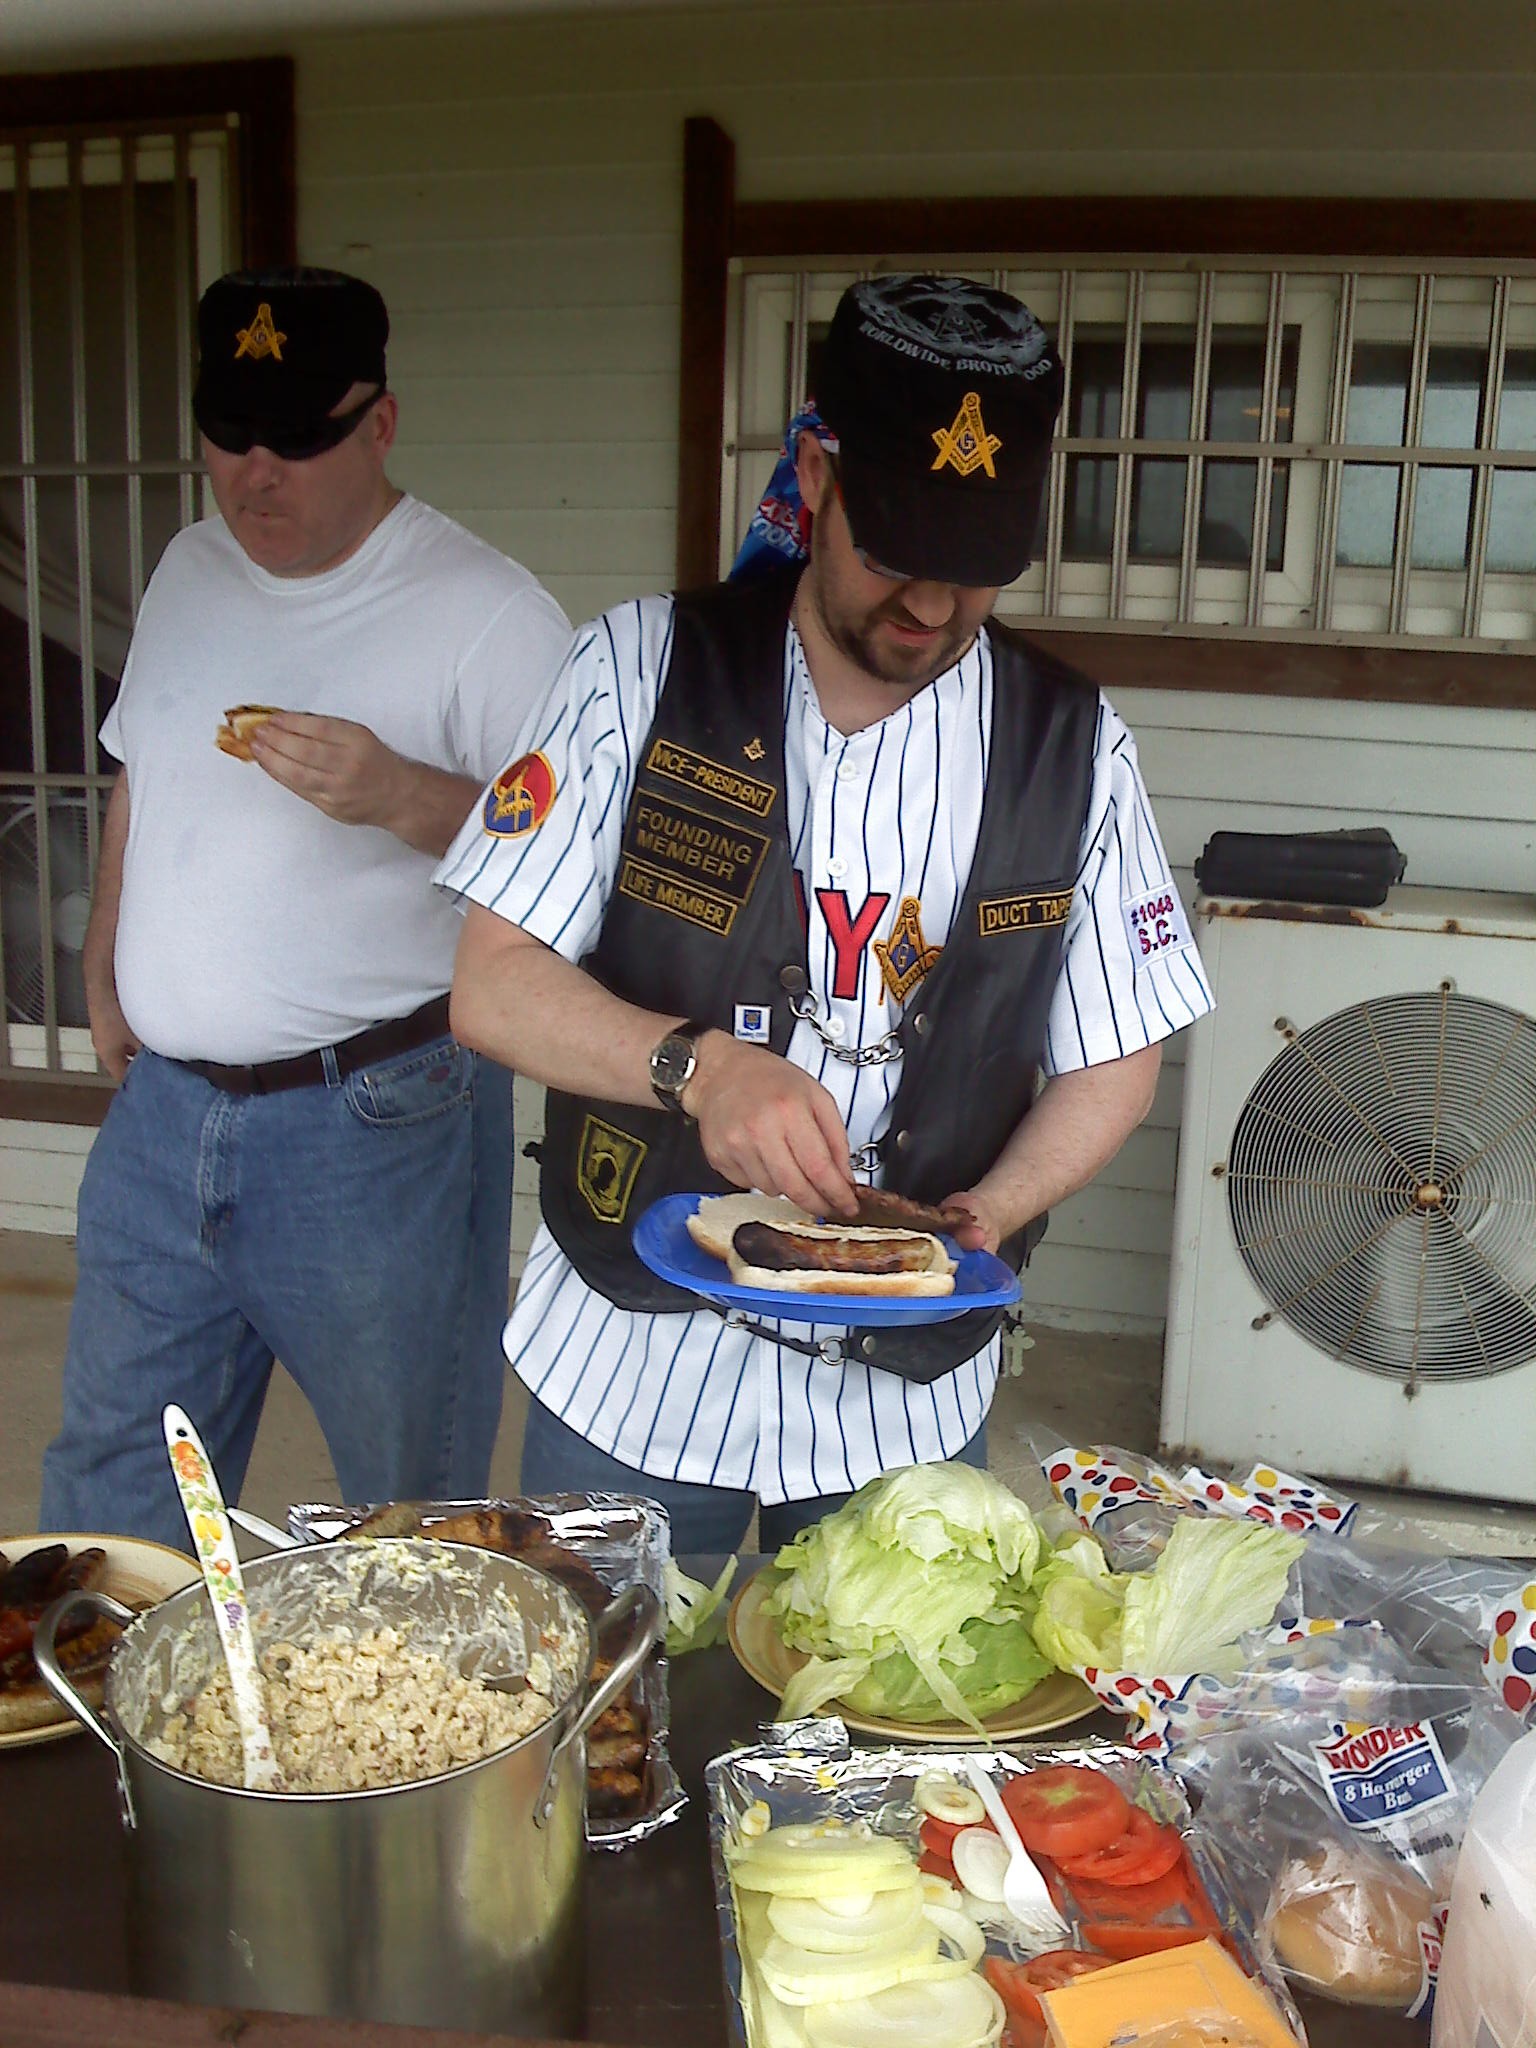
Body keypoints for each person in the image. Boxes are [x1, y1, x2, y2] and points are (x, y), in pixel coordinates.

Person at [440, 273, 1214, 1553]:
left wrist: (991, 1212)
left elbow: (1117, 1055)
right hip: (631, 1366)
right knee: (613, 1678)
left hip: (903, 1404)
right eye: (894, 552)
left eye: (973, 570)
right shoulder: (641, 669)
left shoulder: (1070, 746)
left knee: (885, 1680)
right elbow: (493, 980)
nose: (931, 606)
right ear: (815, 477)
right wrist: (696, 1069)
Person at [40, 267, 573, 1551]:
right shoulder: (189, 565)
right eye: (229, 433)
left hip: (374, 1119)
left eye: (297, 436)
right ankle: (111, 1689)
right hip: (163, 1112)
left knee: (406, 1502)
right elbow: (142, 769)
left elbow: (569, 860)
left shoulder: (491, 613)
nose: (255, 472)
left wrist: (401, 793)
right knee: (115, 1487)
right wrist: (107, 962)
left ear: (379, 424)